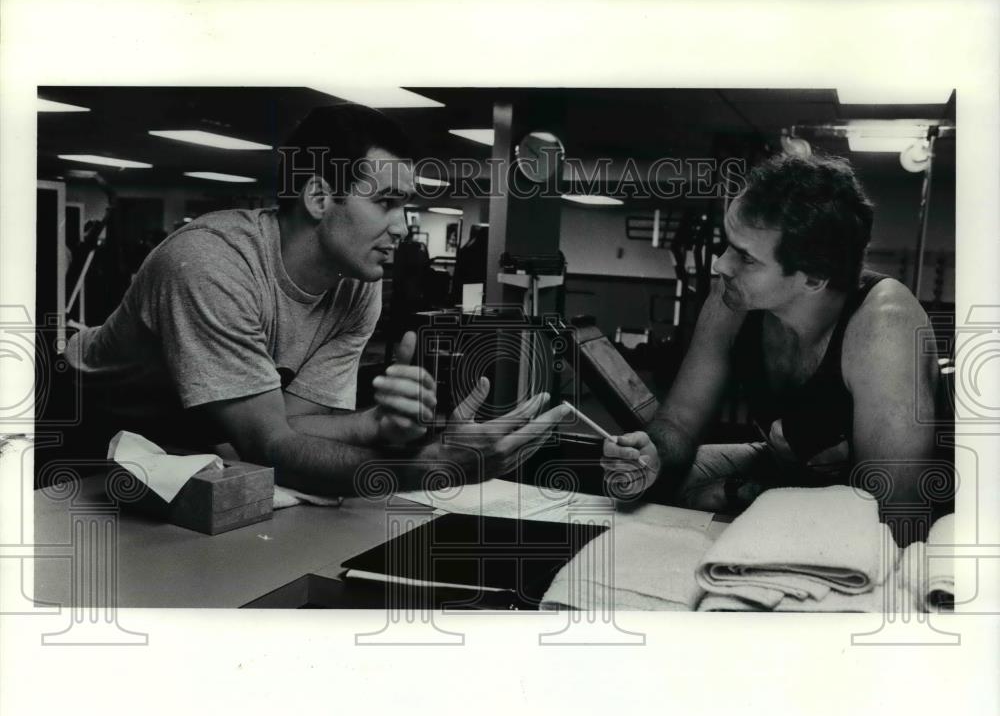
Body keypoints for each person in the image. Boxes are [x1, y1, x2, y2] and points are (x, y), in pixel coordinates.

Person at [66, 103, 568, 495]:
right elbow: (269, 446)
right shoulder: (210, 263)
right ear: (319, 198)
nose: (401, 227)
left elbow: (294, 426)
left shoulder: (357, 285)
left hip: (184, 439)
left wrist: (381, 426)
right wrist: (434, 466)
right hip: (79, 421)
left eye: (405, 206)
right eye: (385, 203)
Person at [601, 154, 940, 545]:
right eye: (728, 246)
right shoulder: (732, 297)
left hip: (876, 508)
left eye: (745, 257)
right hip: (783, 469)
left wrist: (746, 494)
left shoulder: (883, 325)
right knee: (645, 489)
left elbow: (894, 518)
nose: (719, 265)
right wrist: (652, 452)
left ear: (813, 277)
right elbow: (678, 421)